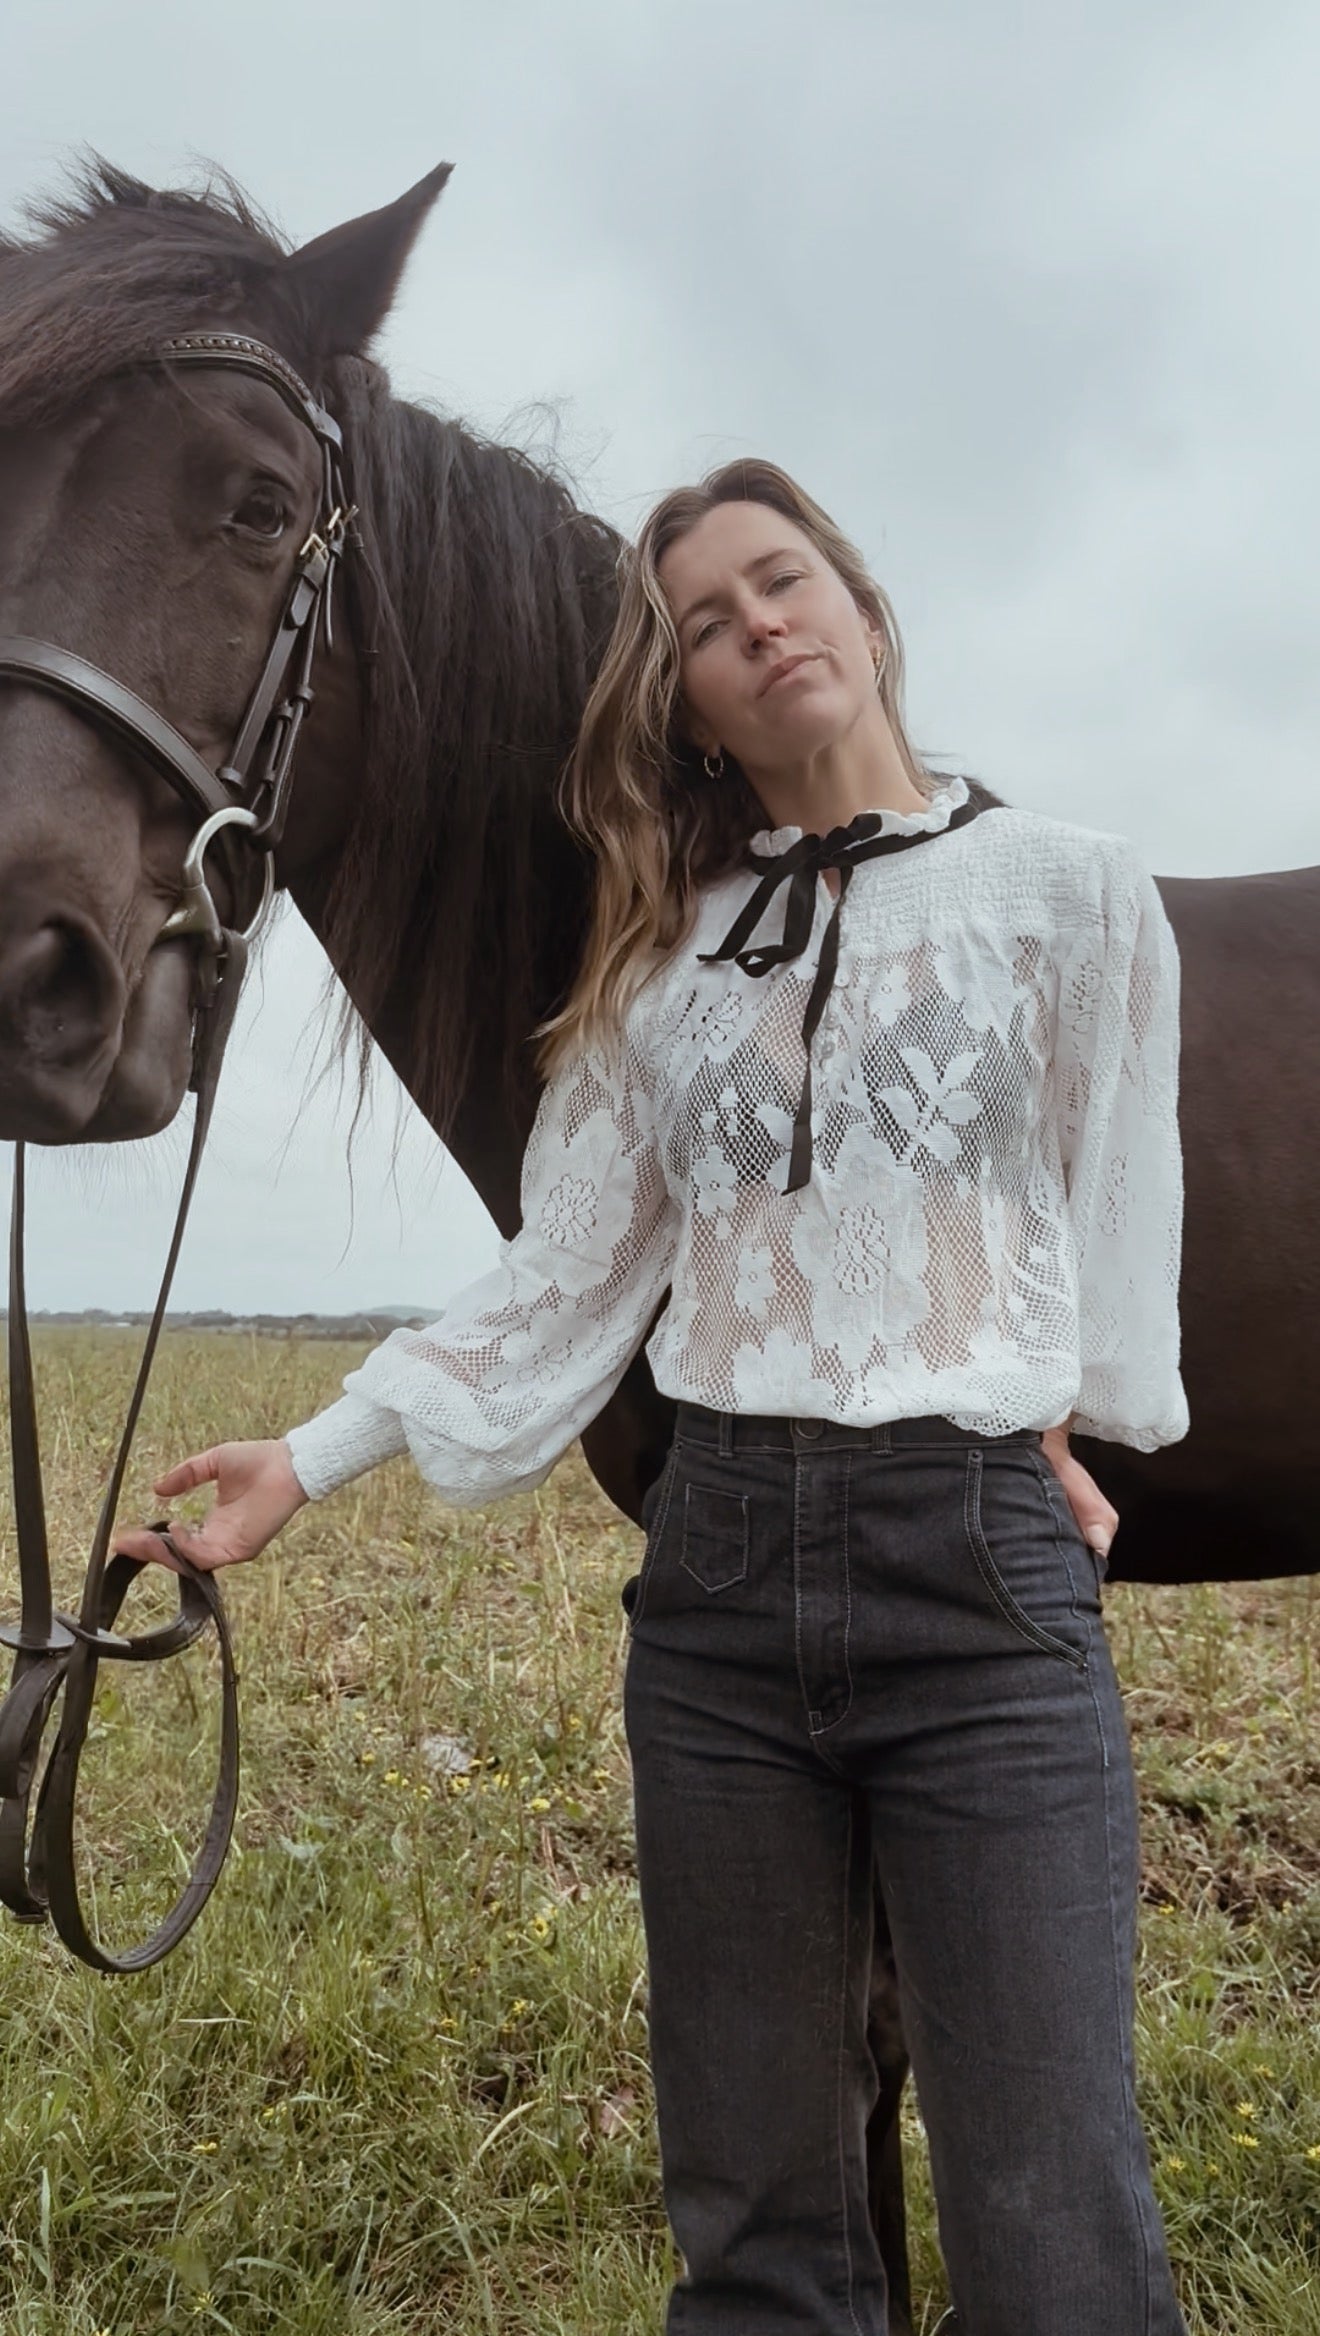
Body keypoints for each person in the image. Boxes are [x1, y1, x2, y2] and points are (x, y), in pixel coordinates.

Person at [117, 458, 1191, 2336]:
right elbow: (571, 1272)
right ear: (685, 698)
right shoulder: (667, 955)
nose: (757, 624)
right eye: (706, 620)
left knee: (1054, 2233)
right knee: (760, 2229)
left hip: (978, 1585)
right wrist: (312, 1451)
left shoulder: (1068, 893)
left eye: (782, 580)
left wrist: (1059, 1425)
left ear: (859, 605)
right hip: (720, 1598)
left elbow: (1110, 1206)